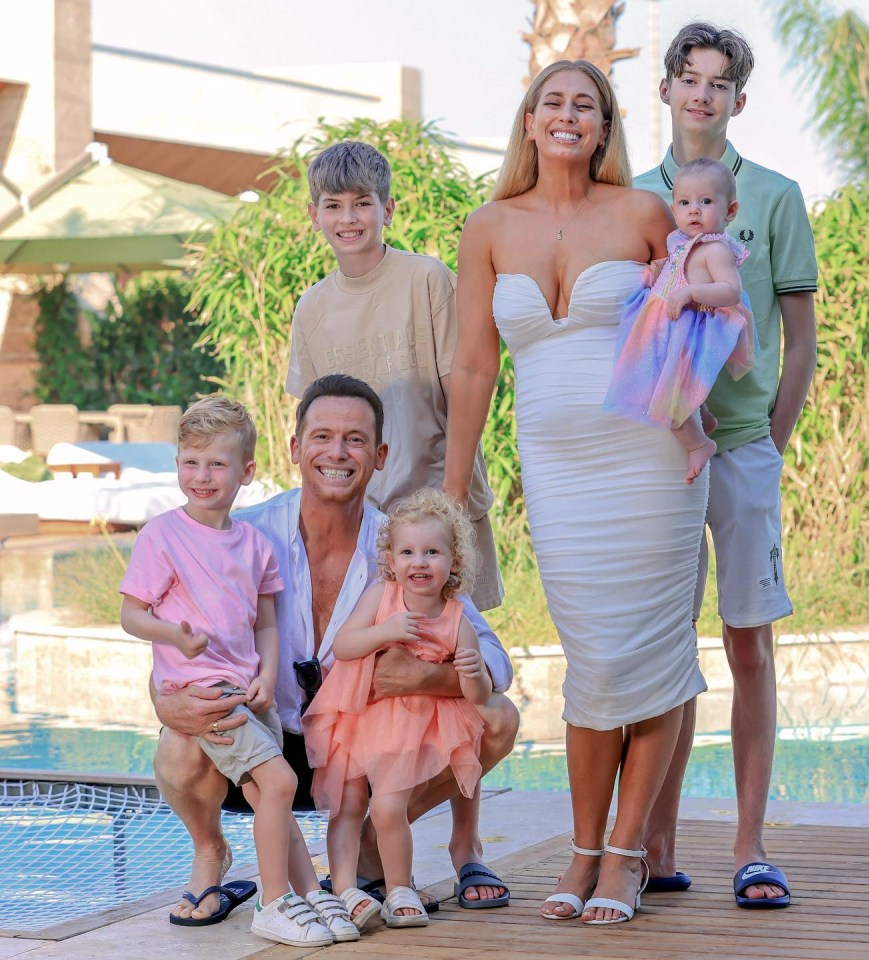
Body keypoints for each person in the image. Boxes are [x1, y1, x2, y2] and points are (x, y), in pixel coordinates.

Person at [444, 60, 708, 926]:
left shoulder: (641, 212)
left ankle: (622, 856)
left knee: (654, 659)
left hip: (650, 469)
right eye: (552, 102)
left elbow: (697, 323)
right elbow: (476, 362)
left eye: (584, 105)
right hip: (557, 476)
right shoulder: (486, 226)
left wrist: (693, 428)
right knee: (593, 664)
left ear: (604, 126)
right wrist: (456, 484)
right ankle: (584, 845)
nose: (567, 116)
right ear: (528, 121)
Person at [150, 376, 518, 933]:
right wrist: (163, 701)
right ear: (296, 449)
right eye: (322, 436)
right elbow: (169, 635)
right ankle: (211, 852)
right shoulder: (243, 536)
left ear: (380, 456)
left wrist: (420, 676)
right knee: (177, 743)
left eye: (355, 439)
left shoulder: (404, 548)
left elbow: (495, 660)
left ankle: (377, 836)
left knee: (498, 720)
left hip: (361, 749)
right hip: (266, 742)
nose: (338, 453)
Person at [634, 22, 818, 908]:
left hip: (743, 451)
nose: (702, 94)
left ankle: (749, 844)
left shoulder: (775, 196)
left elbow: (802, 336)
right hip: (660, 455)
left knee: (748, 643)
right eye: (688, 78)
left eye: (719, 83)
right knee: (666, 648)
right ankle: (657, 844)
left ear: (739, 99)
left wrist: (771, 441)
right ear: (665, 89)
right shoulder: (632, 200)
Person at [120, 398, 339, 946]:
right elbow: (131, 615)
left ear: (246, 472)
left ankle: (311, 895)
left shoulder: (254, 545)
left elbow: (266, 623)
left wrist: (267, 674)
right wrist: (174, 635)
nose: (201, 476)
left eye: (216, 464)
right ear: (177, 464)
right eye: (190, 462)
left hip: (247, 692)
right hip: (205, 691)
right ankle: (274, 901)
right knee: (281, 782)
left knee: (274, 797)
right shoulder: (161, 536)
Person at [285, 140, 503, 613]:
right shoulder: (312, 309)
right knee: (374, 661)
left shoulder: (426, 279)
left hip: (439, 511)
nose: (349, 218)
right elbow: (316, 427)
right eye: (334, 206)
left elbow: (466, 387)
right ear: (313, 214)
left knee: (454, 655)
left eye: (363, 204)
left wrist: (453, 497)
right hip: (362, 525)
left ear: (388, 209)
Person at [303, 487, 493, 930]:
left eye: (432, 552)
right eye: (407, 551)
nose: (419, 562)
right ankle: (345, 889)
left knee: (388, 809)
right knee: (347, 804)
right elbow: (344, 646)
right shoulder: (381, 596)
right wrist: (384, 631)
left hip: (411, 727)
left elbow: (478, 695)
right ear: (391, 559)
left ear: (455, 562)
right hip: (358, 715)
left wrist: (474, 669)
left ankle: (398, 887)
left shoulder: (456, 617)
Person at [605, 157, 755, 483]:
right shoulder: (680, 242)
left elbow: (730, 291)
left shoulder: (716, 250)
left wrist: (693, 292)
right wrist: (656, 275)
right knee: (667, 385)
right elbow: (675, 272)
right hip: (665, 324)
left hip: (687, 331)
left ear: (730, 211)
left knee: (665, 400)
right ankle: (703, 414)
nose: (694, 210)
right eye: (685, 202)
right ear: (674, 209)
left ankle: (698, 443)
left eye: (706, 202)